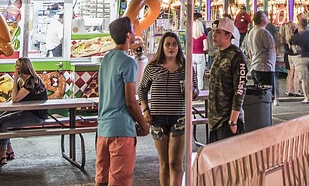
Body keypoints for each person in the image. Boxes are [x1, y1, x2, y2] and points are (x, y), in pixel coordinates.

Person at [97, 16, 149, 186]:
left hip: (103, 129)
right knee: (120, 180)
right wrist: (144, 124)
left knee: (102, 180)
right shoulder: (128, 62)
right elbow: (130, 101)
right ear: (128, 35)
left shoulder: (106, 59)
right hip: (121, 130)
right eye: (133, 30)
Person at [140, 31, 196, 186]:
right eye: (168, 44)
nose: (171, 47)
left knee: (175, 162)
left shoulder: (187, 68)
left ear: (179, 46)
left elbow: (195, 91)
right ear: (162, 47)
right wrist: (145, 110)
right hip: (157, 118)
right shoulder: (152, 67)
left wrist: (190, 90)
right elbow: (142, 90)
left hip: (179, 117)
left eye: (174, 44)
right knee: (164, 162)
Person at [0, 57, 50, 162]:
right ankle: (8, 150)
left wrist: (15, 79)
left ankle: (2, 154)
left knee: (2, 122)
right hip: (32, 112)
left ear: (20, 69)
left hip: (36, 115)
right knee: (0, 119)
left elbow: (15, 99)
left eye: (16, 67)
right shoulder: (30, 80)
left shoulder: (31, 81)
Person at [205, 17, 247, 142]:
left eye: (218, 32)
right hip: (214, 121)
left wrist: (233, 120)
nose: (214, 35)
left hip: (227, 120)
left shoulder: (237, 56)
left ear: (228, 35)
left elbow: (240, 90)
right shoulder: (218, 54)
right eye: (213, 31)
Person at [243, 10, 277, 102]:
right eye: (266, 17)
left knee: (259, 93)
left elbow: (249, 50)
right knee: (266, 94)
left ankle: (260, 112)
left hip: (256, 65)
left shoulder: (252, 31)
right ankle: (265, 113)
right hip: (265, 67)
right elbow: (271, 46)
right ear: (262, 19)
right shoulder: (263, 32)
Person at [289, 16, 309, 104]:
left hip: (302, 58)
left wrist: (295, 49)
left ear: (300, 24)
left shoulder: (299, 35)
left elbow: (293, 45)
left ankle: (306, 97)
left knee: (303, 79)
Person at [190, 12, 208, 88]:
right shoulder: (203, 35)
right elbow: (206, 47)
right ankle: (200, 91)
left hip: (192, 55)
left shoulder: (190, 35)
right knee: (200, 77)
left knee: (193, 77)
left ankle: (192, 92)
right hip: (200, 55)